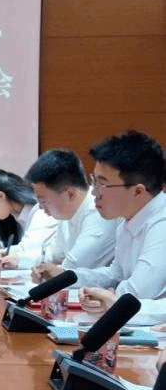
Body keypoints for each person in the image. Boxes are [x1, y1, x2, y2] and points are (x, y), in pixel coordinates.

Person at [44, 131, 166, 325]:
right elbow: (116, 274)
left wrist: (105, 297)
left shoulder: (162, 223)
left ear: (137, 191)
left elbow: (136, 294)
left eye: (102, 184)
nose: (94, 192)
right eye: (94, 181)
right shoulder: (128, 220)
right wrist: (67, 277)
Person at [24, 149, 117, 279]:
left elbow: (75, 265)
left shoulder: (98, 212)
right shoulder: (69, 213)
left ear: (70, 194)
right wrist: (32, 264)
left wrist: (52, 270)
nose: (40, 207)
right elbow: (54, 254)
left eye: (43, 201)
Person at [0, 166, 58, 268]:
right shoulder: (15, 215)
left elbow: (28, 251)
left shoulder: (41, 211)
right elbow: (18, 247)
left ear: (0, 196)